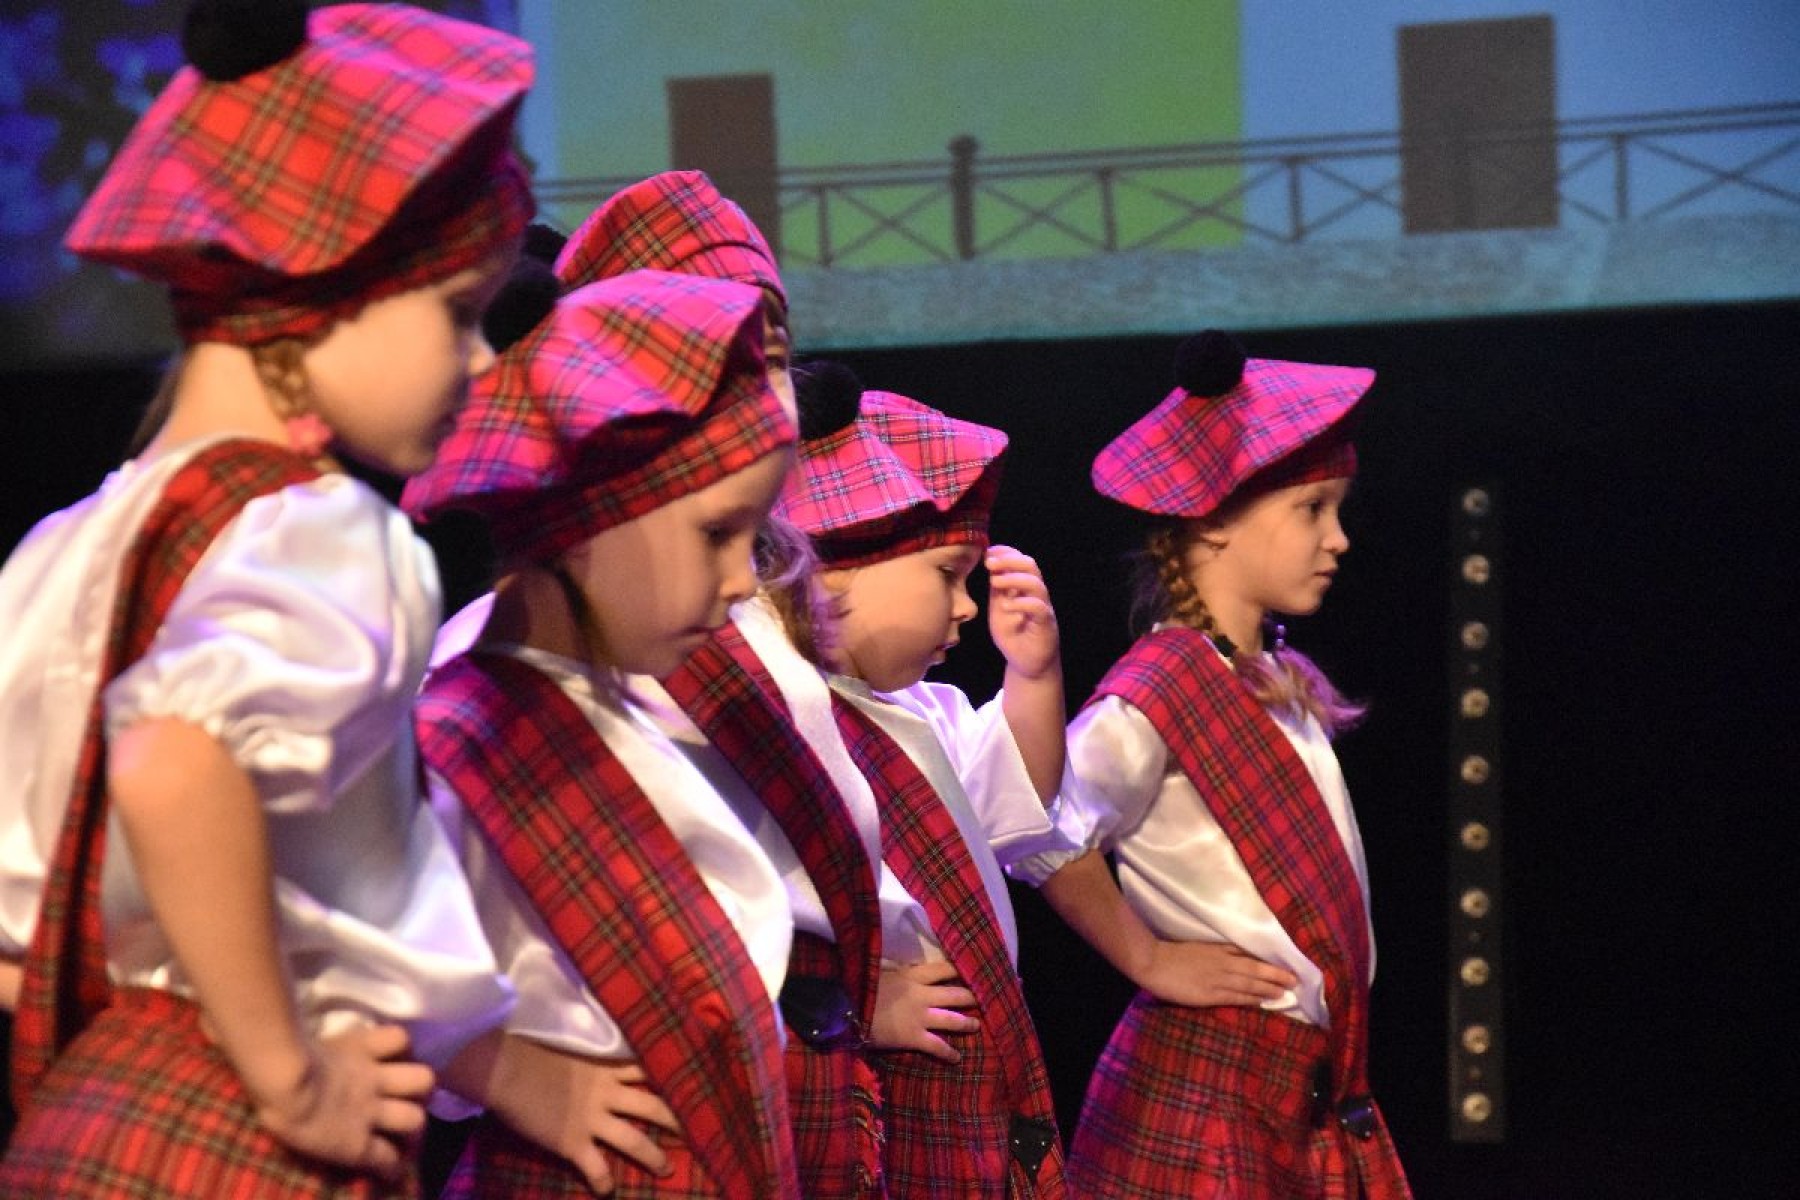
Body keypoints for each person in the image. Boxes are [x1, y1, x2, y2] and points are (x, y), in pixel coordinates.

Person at [0, 2, 532, 1195]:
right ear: (314, 302)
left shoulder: (61, 548)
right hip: (248, 1135)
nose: (483, 361)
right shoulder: (330, 532)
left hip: (86, 1121)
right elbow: (170, 758)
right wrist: (293, 1079)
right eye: (458, 312)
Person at [404, 267, 804, 1198]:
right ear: (588, 524)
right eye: (717, 534)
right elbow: (332, 955)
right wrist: (509, 1072)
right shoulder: (469, 735)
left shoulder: (605, 700)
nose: (745, 580)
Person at [1015, 330, 1412, 1198]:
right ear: (1214, 520)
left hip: (1293, 1085)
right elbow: (1037, 829)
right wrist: (1147, 958)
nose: (1339, 538)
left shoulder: (1262, 674)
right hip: (1209, 1093)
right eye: (1312, 510)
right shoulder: (1159, 689)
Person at [771, 362, 1072, 1199]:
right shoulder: (786, 724)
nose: (968, 606)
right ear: (833, 574)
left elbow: (1016, 804)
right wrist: (860, 1006)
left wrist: (1035, 678)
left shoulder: (924, 711)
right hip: (877, 1076)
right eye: (946, 574)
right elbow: (745, 913)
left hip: (964, 1064)